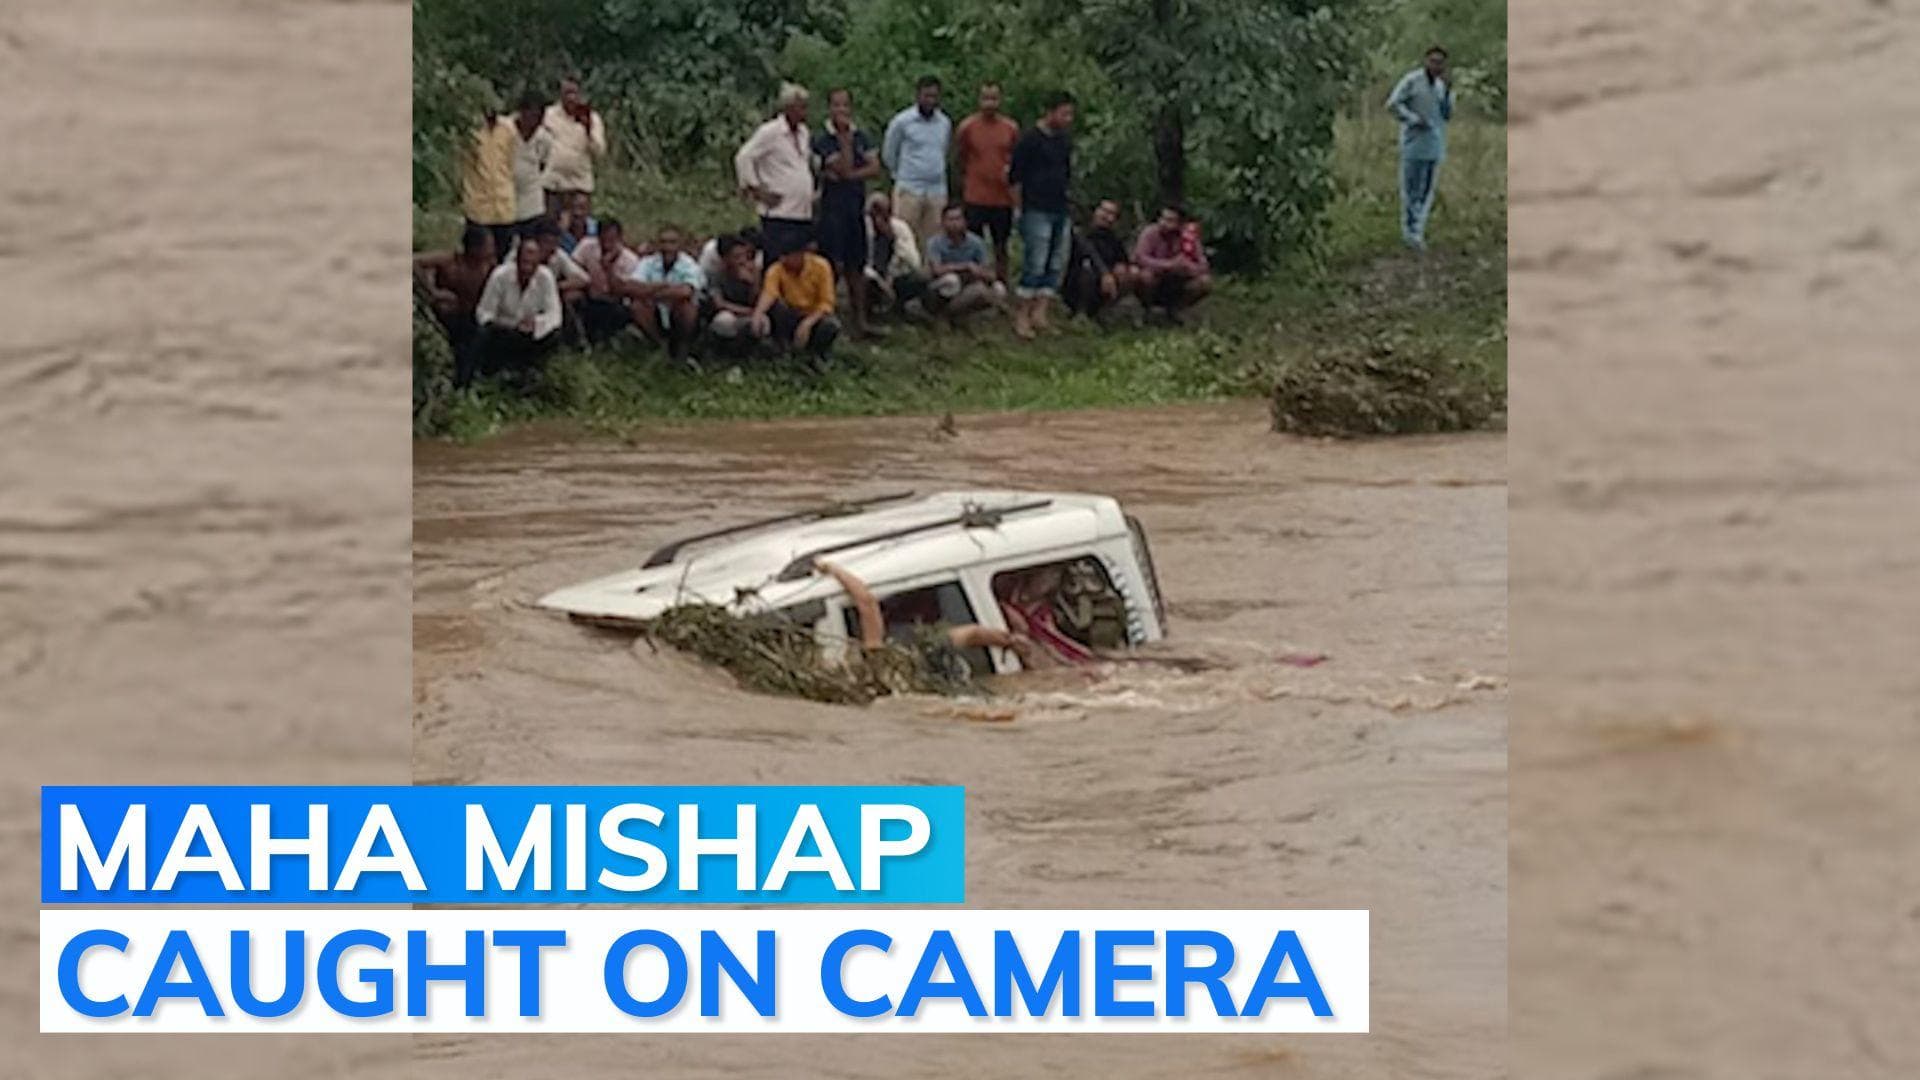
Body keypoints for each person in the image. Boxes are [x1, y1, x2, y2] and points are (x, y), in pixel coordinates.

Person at [1007, 90, 1077, 340]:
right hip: (1035, 208)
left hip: (1060, 207)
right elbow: (1014, 177)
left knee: (1055, 263)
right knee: (1034, 262)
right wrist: (1018, 209)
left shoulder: (1065, 141)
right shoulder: (1030, 140)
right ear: (1050, 111)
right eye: (1064, 113)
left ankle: (1041, 313)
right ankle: (1022, 315)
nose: (1068, 119)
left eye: (1070, 114)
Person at [812, 88, 880, 337]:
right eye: (836, 105)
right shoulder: (822, 140)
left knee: (857, 265)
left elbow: (874, 168)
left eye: (845, 105)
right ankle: (827, 318)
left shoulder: (863, 135)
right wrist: (844, 140)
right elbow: (841, 168)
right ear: (829, 108)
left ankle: (860, 320)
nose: (841, 110)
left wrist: (850, 175)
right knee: (832, 265)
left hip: (855, 209)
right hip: (832, 211)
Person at [459, 236, 562, 388]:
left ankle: (530, 375)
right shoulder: (500, 276)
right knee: (481, 333)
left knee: (554, 334)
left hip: (530, 334)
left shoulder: (545, 277)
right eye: (524, 262)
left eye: (532, 264)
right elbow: (484, 312)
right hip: (502, 330)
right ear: (517, 261)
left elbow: (555, 314)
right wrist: (508, 325)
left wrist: (536, 324)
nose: (527, 268)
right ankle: (469, 380)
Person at [734, 83, 816, 262]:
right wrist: (755, 189)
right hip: (779, 211)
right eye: (801, 107)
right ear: (788, 107)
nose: (805, 112)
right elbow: (744, 157)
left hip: (802, 211)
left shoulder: (804, 133)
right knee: (776, 260)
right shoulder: (770, 132)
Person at [1386, 45, 1454, 251]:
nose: (1436, 65)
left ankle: (1418, 231)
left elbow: (1447, 115)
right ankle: (1409, 231)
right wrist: (1413, 119)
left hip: (1434, 144)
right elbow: (1393, 104)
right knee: (1411, 189)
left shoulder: (1442, 86)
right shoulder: (1412, 81)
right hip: (1414, 144)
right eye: (1432, 61)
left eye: (1440, 62)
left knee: (1426, 191)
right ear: (1426, 61)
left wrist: (1449, 92)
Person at [953, 81, 1020, 283]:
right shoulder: (967, 127)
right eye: (985, 98)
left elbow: (1016, 160)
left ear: (1001, 100)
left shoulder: (1010, 128)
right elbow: (960, 158)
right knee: (974, 242)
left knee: (1001, 245)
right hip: (975, 196)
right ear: (979, 100)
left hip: (1002, 198)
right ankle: (975, 283)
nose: (989, 104)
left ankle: (1002, 283)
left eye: (994, 98)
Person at [881, 75, 952, 247]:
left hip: (936, 190)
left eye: (934, 96)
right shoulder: (902, 122)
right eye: (926, 96)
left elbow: (944, 150)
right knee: (904, 237)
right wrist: (900, 175)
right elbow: (889, 153)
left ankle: (928, 273)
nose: (930, 100)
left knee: (933, 239)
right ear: (918, 95)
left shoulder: (944, 122)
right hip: (910, 188)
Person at [623, 224, 706, 362]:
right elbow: (631, 287)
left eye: (672, 242)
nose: (667, 247)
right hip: (655, 314)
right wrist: (661, 286)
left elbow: (686, 291)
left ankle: (683, 349)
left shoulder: (689, 265)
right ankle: (660, 346)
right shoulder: (647, 262)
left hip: (677, 314)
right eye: (663, 242)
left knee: (687, 307)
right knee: (637, 305)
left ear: (680, 244)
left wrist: (649, 292)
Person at [752, 239, 840, 365]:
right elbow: (769, 293)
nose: (784, 260)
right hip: (791, 313)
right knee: (777, 308)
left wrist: (807, 323)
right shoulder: (777, 269)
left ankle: (817, 353)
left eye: (788, 256)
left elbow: (827, 303)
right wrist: (758, 314)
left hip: (813, 315)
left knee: (831, 325)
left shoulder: (821, 266)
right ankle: (784, 347)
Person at [415, 224, 498, 351]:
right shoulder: (450, 261)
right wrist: (432, 291)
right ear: (475, 249)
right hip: (450, 314)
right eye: (489, 246)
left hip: (475, 315)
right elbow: (414, 261)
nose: (492, 249)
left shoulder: (490, 265)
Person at [923, 204, 1003, 324]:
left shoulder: (976, 243)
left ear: (965, 222)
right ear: (943, 222)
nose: (954, 223)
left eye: (958, 219)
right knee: (951, 280)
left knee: (998, 289)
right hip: (942, 288)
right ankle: (944, 314)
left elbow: (991, 274)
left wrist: (978, 272)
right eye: (950, 219)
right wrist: (964, 266)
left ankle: (960, 315)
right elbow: (936, 270)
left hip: (969, 286)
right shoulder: (934, 243)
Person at [457, 107, 519, 261]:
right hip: (478, 206)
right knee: (476, 256)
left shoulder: (509, 129)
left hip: (504, 207)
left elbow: (511, 162)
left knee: (503, 256)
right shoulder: (470, 129)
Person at [568, 216, 641, 344]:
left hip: (615, 301)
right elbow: (573, 267)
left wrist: (609, 269)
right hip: (590, 295)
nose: (607, 243)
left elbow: (622, 290)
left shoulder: (630, 260)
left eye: (612, 238)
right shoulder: (586, 246)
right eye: (604, 237)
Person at [1132, 205, 1212, 321]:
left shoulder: (1188, 238)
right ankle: (1147, 309)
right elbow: (1140, 257)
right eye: (1162, 218)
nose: (1164, 223)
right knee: (1145, 277)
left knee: (1205, 282)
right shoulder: (1150, 233)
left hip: (1179, 281)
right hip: (1156, 278)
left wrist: (1189, 268)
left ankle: (1177, 309)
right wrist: (1168, 265)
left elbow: (1203, 265)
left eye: (1170, 221)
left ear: (1180, 224)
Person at [542, 76, 607, 215]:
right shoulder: (548, 115)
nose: (571, 97)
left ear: (580, 94)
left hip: (579, 184)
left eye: (574, 93)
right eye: (567, 93)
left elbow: (599, 152)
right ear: (560, 94)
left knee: (579, 227)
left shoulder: (592, 118)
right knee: (550, 227)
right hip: (553, 183)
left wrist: (588, 129)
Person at [1064, 197, 1137, 319]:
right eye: (1104, 210)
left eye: (1111, 213)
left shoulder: (1113, 238)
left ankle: (1105, 310)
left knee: (1129, 273)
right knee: (1086, 268)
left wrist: (1121, 269)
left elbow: (1122, 259)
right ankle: (1080, 312)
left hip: (1106, 284)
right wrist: (1104, 273)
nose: (1106, 216)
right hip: (1077, 281)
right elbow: (1086, 253)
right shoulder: (1081, 231)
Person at [707, 235, 774, 356]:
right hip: (731, 313)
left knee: (762, 323)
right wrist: (746, 311)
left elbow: (757, 300)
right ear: (725, 258)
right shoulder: (717, 274)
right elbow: (719, 303)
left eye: (744, 256)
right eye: (736, 257)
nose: (742, 260)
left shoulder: (754, 271)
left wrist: (753, 283)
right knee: (724, 322)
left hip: (750, 313)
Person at [863, 192, 926, 318]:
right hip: (872, 277)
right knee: (867, 282)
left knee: (920, 278)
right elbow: (862, 263)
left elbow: (913, 261)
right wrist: (881, 281)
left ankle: (899, 308)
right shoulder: (862, 230)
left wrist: (892, 237)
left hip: (896, 275)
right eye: (875, 212)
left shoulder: (900, 227)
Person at [508, 90, 555, 247]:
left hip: (531, 201)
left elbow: (543, 164)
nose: (534, 122)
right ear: (521, 112)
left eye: (539, 118)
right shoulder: (506, 130)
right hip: (505, 197)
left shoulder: (544, 138)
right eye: (531, 116)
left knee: (529, 243)